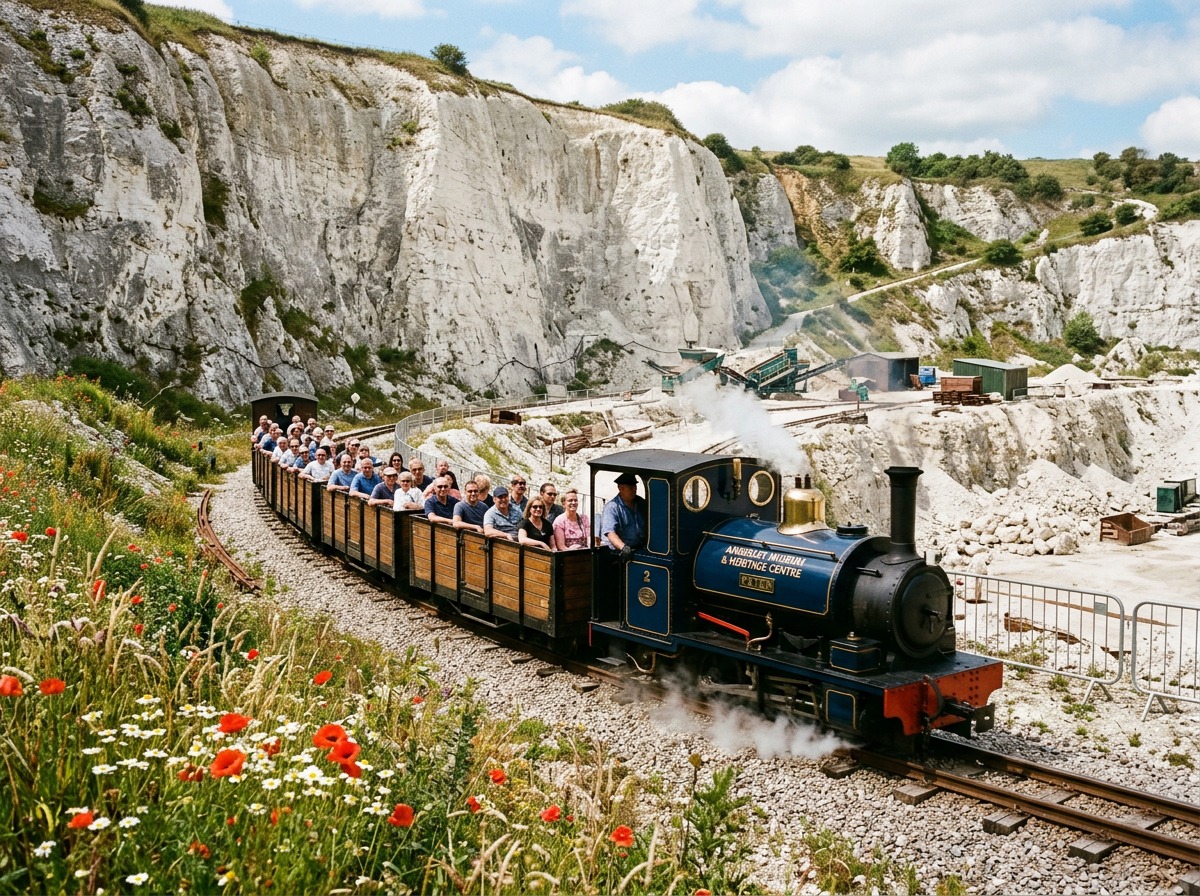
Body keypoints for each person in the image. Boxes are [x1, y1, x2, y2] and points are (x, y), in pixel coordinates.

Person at [601, 472, 646, 558]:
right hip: (619, 554)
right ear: (621, 488)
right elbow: (610, 532)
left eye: (635, 487)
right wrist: (623, 547)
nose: (634, 490)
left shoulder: (641, 503)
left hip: (640, 549)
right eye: (631, 488)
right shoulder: (612, 507)